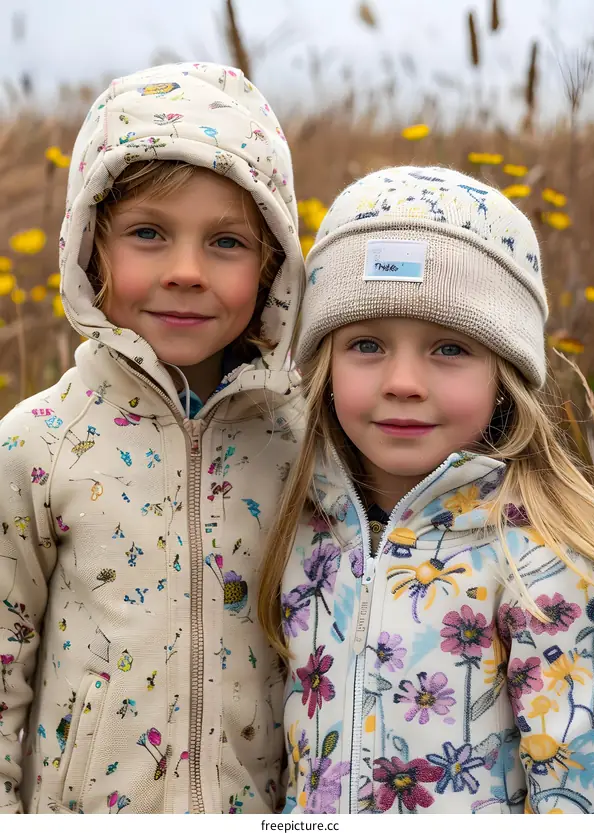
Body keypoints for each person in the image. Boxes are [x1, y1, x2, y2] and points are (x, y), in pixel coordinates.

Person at [0, 62, 305, 814]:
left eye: (227, 243)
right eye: (148, 234)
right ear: (90, 248)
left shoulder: (304, 444)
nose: (186, 272)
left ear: (272, 265)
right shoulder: (37, 443)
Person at [258, 166, 594, 814]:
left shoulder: (546, 558)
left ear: (506, 373)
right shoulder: (298, 529)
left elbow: (578, 788)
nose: (405, 381)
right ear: (324, 364)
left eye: (448, 348)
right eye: (367, 345)